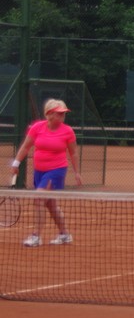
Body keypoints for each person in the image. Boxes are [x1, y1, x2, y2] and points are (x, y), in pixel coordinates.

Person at [10, 98, 82, 247]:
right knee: (51, 205)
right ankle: (65, 235)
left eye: (64, 113)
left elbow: (73, 153)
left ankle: (36, 236)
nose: (63, 116)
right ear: (49, 114)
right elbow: (26, 146)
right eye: (59, 113)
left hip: (57, 170)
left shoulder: (68, 131)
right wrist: (16, 162)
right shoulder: (37, 127)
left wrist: (76, 172)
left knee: (39, 198)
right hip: (39, 171)